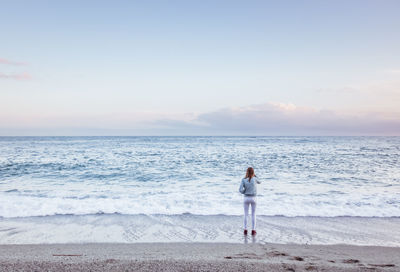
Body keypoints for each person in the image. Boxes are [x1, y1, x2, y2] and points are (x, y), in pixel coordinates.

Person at [239, 167, 261, 236]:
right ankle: (253, 230)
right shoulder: (255, 179)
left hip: (246, 198)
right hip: (253, 198)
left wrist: (245, 191)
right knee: (253, 214)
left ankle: (245, 230)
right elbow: (260, 181)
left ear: (247, 172)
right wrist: (255, 175)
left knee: (246, 214)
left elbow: (240, 190)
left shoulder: (243, 179)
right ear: (253, 172)